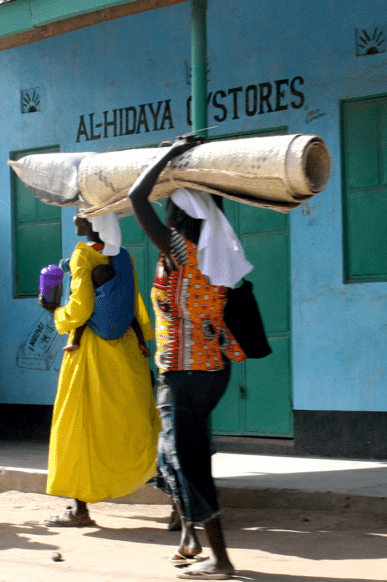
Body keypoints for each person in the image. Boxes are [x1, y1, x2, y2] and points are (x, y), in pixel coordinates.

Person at [128, 136, 253, 580]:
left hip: (185, 370)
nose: (165, 215)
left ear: (180, 212)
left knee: (192, 460)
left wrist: (167, 155)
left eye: (171, 208)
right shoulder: (221, 248)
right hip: (214, 367)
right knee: (190, 454)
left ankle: (220, 559)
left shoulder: (181, 250)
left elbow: (134, 197)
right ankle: (197, 542)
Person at [38, 212, 159, 527]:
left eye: (81, 216)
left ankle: (79, 511)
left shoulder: (83, 255)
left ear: (94, 223)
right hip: (128, 350)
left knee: (81, 425)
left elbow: (80, 309)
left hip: (90, 351)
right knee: (134, 420)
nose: (76, 220)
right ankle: (174, 500)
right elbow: (133, 301)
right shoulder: (124, 255)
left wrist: (55, 311)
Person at [63, 262, 151, 358]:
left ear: (94, 284)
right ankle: (142, 343)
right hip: (122, 329)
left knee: (84, 315)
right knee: (132, 319)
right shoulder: (121, 293)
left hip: (104, 332)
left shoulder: (95, 298)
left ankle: (75, 341)